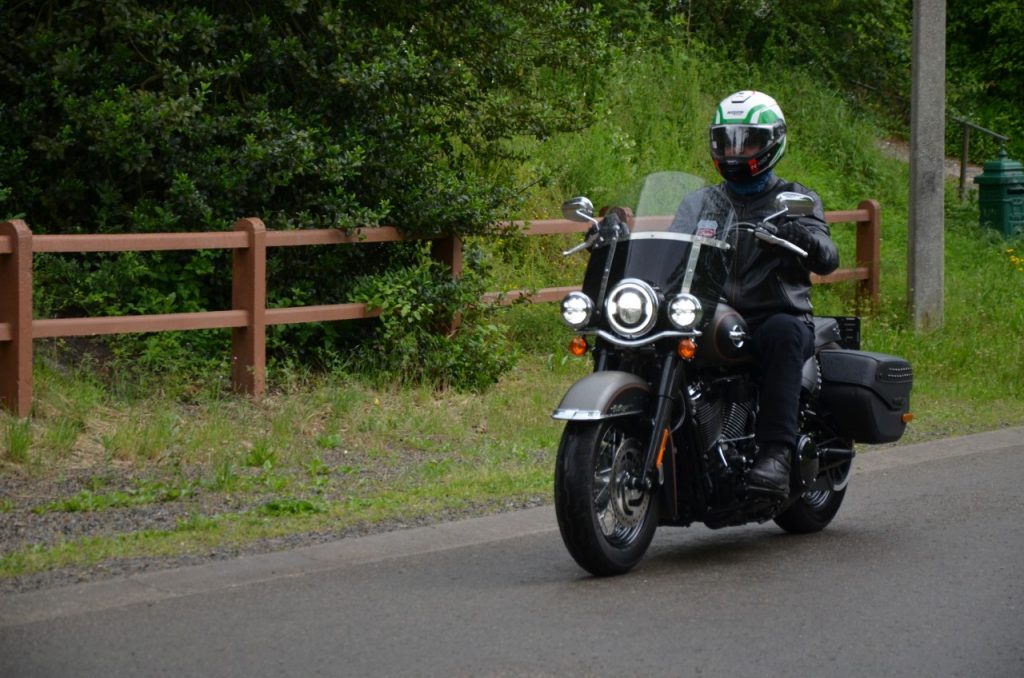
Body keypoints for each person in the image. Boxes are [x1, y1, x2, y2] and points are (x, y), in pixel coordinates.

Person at [672, 90, 839, 496]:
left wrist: (799, 235)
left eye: (746, 141)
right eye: (726, 141)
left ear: (771, 142)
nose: (734, 151)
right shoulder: (701, 203)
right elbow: (672, 253)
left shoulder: (795, 200)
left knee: (783, 333)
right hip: (714, 317)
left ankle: (776, 456)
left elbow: (828, 257)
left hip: (774, 315)